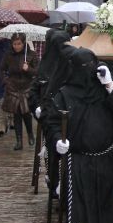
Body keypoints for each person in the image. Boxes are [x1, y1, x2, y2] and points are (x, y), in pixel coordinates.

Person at [47, 47, 113, 223]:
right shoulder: (65, 94)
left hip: (105, 156)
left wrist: (110, 84)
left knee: (103, 202)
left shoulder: (105, 88)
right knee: (81, 206)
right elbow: (53, 121)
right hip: (79, 159)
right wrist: (58, 140)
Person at [28, 29, 72, 196]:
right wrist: (37, 107)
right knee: (53, 153)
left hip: (69, 117)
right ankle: (54, 184)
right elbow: (33, 91)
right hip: (50, 117)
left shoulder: (71, 62)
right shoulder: (45, 65)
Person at [0, 33, 40, 150]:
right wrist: (5, 81)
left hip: (27, 87)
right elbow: (2, 69)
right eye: (14, 44)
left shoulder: (31, 55)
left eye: (19, 44)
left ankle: (30, 134)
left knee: (26, 112)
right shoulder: (8, 55)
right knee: (17, 113)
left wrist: (29, 69)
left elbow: (38, 71)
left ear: (23, 43)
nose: (16, 46)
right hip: (13, 87)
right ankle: (19, 141)